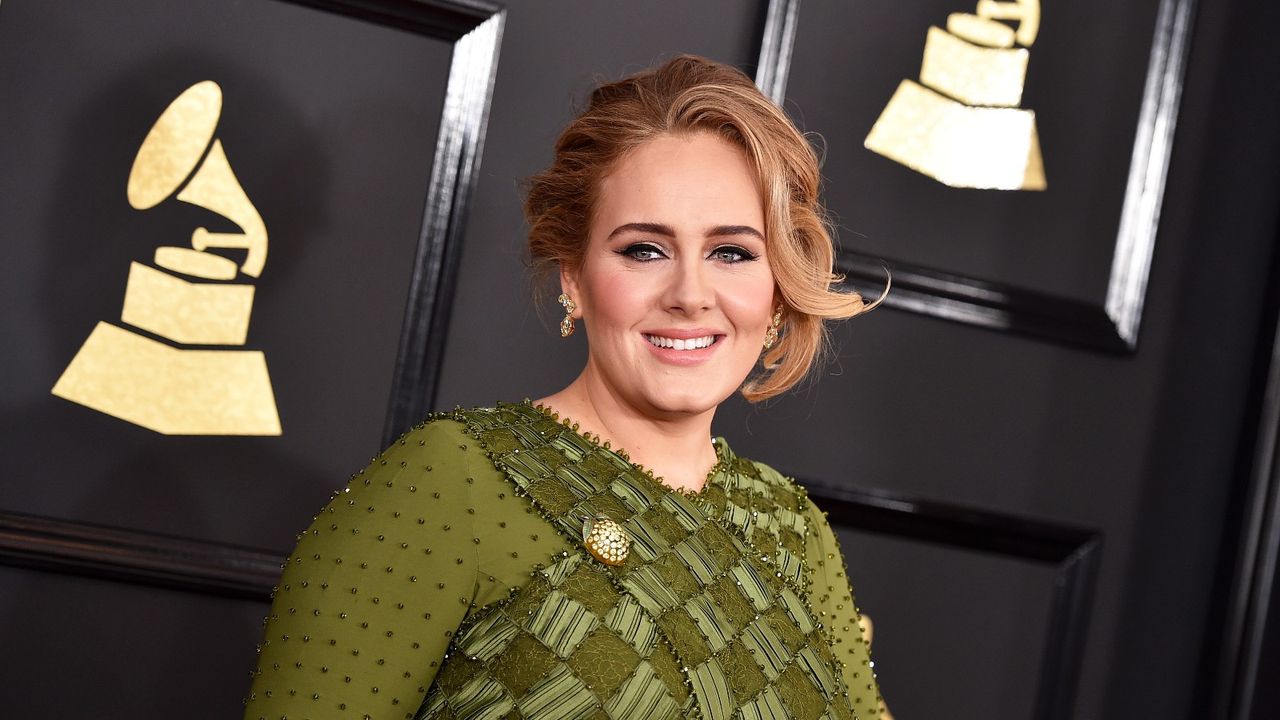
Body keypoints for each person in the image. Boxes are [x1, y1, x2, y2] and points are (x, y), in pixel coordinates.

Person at [244, 54, 888, 720]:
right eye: (644, 249)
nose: (692, 295)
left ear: (779, 289)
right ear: (573, 277)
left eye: (733, 252)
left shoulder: (792, 528)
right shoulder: (450, 480)